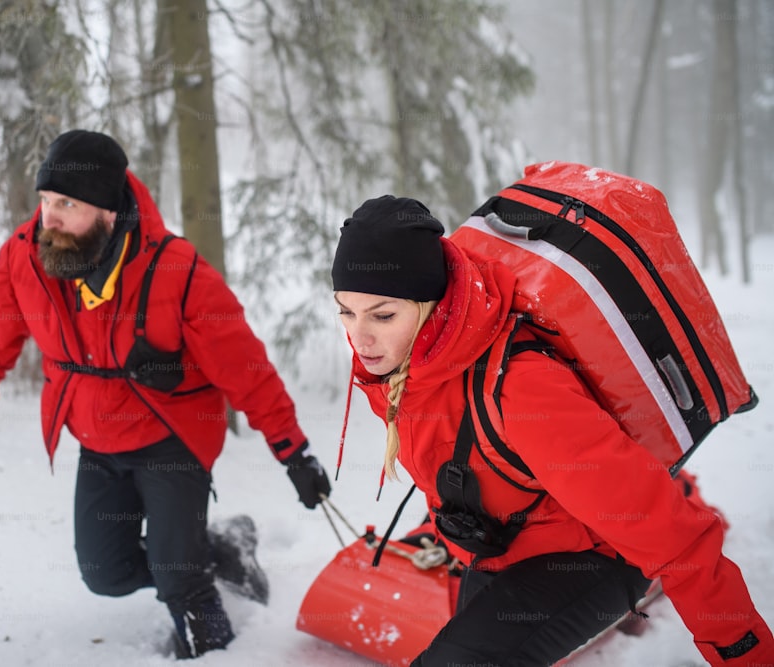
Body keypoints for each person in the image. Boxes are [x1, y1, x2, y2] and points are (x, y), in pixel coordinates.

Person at [329, 195, 774, 667]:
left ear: (434, 305)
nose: (360, 338)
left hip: (593, 558)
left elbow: (666, 531)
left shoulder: (521, 389)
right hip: (504, 551)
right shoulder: (408, 370)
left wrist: (744, 652)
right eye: (345, 311)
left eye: (382, 315)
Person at [0, 129, 331, 659]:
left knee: (179, 580)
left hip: (172, 438)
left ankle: (207, 626)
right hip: (98, 441)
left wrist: (293, 453)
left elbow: (247, 371)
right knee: (106, 573)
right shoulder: (26, 258)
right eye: (46, 202)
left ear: (106, 211)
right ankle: (221, 546)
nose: (47, 219)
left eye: (67, 205)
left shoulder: (178, 270)